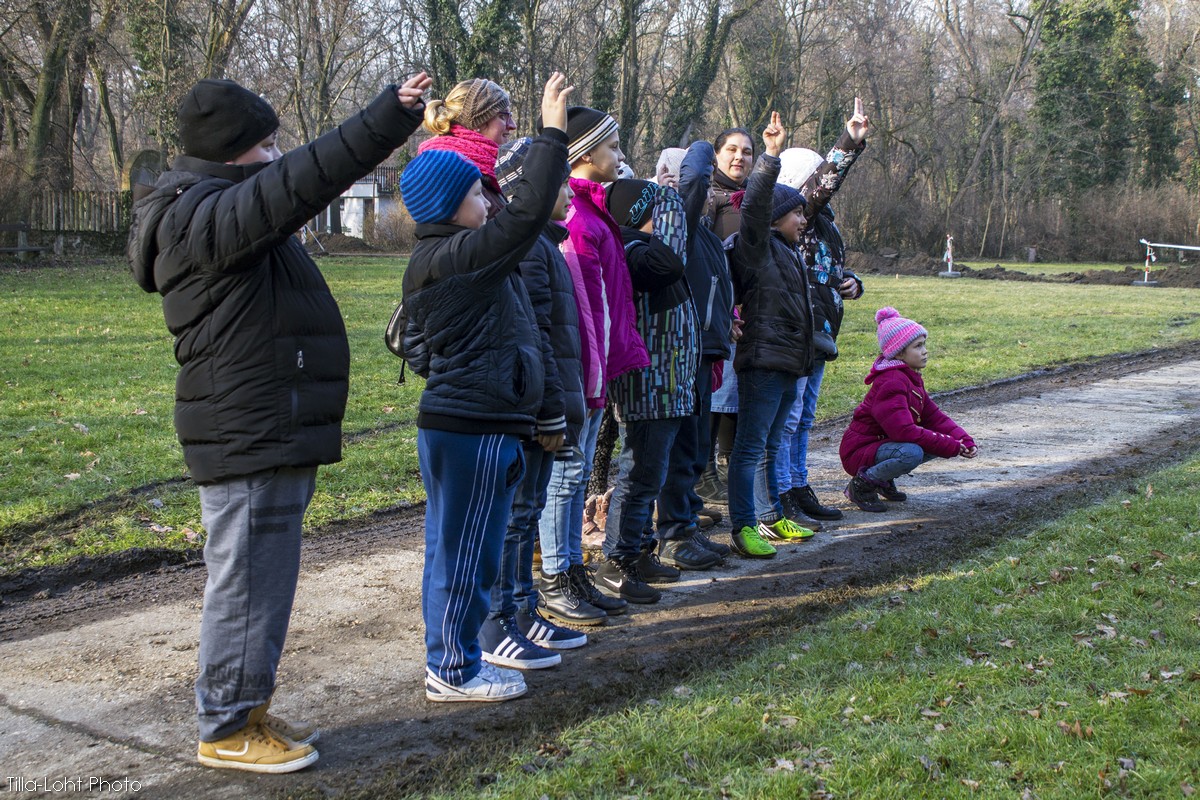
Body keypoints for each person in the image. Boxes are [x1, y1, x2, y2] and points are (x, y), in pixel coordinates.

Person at [128, 72, 432, 772]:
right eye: (267, 146)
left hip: (265, 425)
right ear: (235, 153)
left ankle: (246, 706)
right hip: (248, 429)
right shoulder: (200, 215)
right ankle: (227, 725)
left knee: (261, 578)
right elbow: (305, 179)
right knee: (247, 581)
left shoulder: (218, 208)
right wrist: (385, 118)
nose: (276, 156)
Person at [399, 73, 574, 702]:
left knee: (458, 554)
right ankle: (453, 668)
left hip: (476, 424)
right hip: (470, 429)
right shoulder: (459, 258)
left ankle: (454, 657)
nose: (489, 197)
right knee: (465, 559)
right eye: (478, 189)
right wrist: (554, 133)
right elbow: (528, 215)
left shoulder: (455, 253)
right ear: (453, 203)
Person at [480, 137, 600, 661]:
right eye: (554, 179)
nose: (567, 188)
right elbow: (536, 342)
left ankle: (525, 611)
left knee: (525, 516)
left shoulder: (545, 244)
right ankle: (501, 620)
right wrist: (549, 408)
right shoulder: (529, 250)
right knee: (515, 519)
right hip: (532, 412)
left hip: (547, 406)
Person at [537, 106, 649, 620]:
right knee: (565, 477)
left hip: (595, 371)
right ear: (584, 154)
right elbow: (581, 311)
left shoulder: (592, 212)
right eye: (612, 147)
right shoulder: (578, 220)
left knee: (577, 475)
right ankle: (558, 575)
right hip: (581, 373)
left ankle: (572, 570)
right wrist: (591, 375)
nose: (621, 157)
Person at [597, 178, 705, 603]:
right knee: (639, 477)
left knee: (649, 476)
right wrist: (672, 202)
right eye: (658, 209)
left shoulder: (640, 249)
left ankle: (639, 551)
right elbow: (672, 264)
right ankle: (615, 561)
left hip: (667, 386)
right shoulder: (633, 252)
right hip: (648, 387)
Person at [769, 99, 870, 526]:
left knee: (805, 416)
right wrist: (849, 142)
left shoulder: (823, 220)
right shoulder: (801, 211)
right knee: (789, 418)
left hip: (823, 330)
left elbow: (828, 267)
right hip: (799, 330)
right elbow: (825, 183)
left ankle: (798, 483)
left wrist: (852, 283)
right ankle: (783, 493)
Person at [724, 112, 818, 559]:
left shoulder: (789, 253)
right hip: (761, 363)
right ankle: (743, 526)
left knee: (772, 445)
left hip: (787, 365)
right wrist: (771, 156)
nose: (803, 220)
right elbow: (755, 204)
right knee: (749, 448)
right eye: (797, 212)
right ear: (776, 217)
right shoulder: (756, 247)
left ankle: (771, 515)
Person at [651, 140, 735, 567]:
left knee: (696, 446)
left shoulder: (703, 233)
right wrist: (702, 147)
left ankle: (686, 526)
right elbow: (694, 181)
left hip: (705, 351)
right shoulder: (672, 225)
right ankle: (673, 534)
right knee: (682, 447)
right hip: (681, 352)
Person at [840, 308, 977, 511]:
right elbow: (903, 431)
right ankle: (863, 484)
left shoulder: (910, 377)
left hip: (880, 446)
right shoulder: (892, 382)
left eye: (924, 344)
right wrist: (951, 445)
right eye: (918, 346)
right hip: (858, 451)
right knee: (911, 452)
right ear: (899, 352)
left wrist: (962, 439)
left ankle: (883, 480)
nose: (925, 351)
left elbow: (934, 417)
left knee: (930, 442)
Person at [418, 78, 518, 219]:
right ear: (477, 121)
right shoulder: (455, 175)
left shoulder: (485, 171)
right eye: (502, 116)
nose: (512, 125)